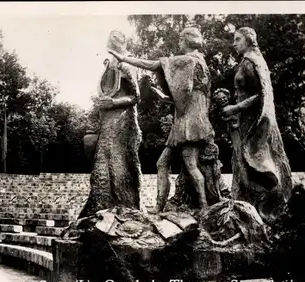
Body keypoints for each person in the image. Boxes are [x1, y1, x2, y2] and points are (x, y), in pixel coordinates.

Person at [108, 27, 214, 212]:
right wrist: (165, 98)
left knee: (191, 165)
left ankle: (204, 207)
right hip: (188, 121)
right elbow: (188, 96)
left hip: (189, 124)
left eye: (180, 40)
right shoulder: (202, 64)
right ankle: (159, 206)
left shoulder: (187, 60)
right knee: (162, 163)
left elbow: (153, 64)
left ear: (187, 41)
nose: (179, 43)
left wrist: (123, 58)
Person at [220, 27, 293, 224]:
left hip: (253, 120)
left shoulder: (252, 62)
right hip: (244, 119)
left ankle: (267, 204)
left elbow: (260, 95)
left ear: (249, 40)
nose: (234, 43)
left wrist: (236, 107)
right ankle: (247, 204)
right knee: (241, 160)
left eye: (237, 39)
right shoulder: (248, 61)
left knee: (252, 159)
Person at [77, 30, 142, 219]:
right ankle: (99, 208)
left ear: (119, 43)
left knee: (117, 163)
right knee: (101, 165)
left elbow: (136, 97)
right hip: (106, 119)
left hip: (122, 120)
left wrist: (113, 103)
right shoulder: (108, 64)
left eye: (112, 40)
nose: (109, 43)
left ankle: (126, 208)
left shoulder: (128, 63)